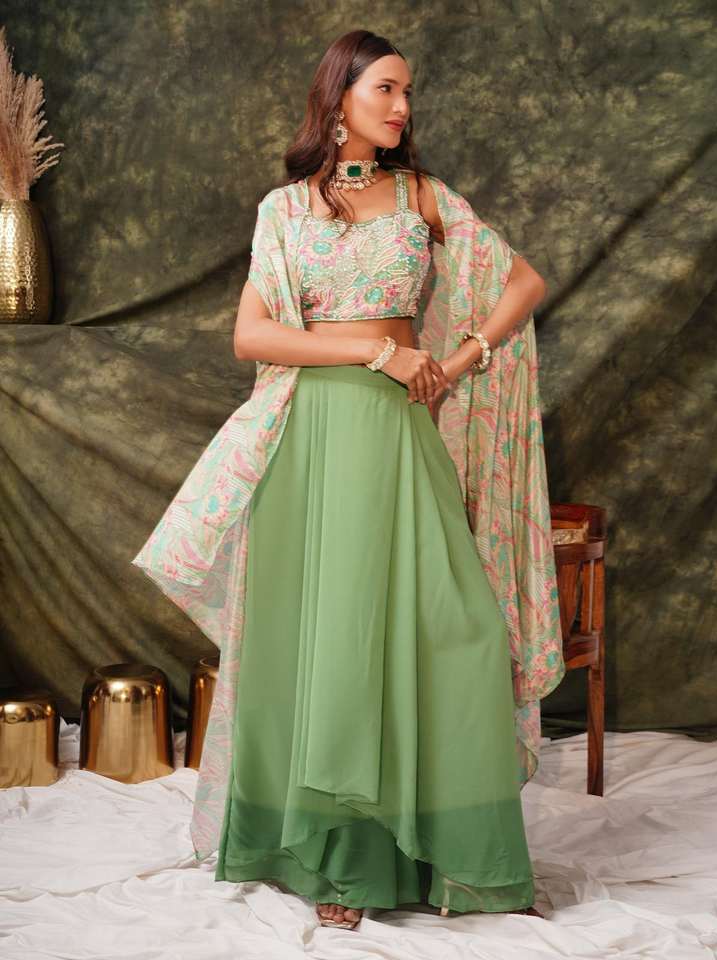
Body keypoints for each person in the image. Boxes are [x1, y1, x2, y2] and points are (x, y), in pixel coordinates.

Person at [132, 29, 565, 929]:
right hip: (313, 438)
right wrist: (376, 353)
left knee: (457, 627)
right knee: (332, 642)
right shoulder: (285, 210)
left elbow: (522, 282)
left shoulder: (423, 196)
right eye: (386, 90)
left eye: (408, 93)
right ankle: (338, 863)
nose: (403, 107)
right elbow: (253, 335)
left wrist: (460, 358)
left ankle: (450, 849)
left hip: (401, 435)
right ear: (339, 101)